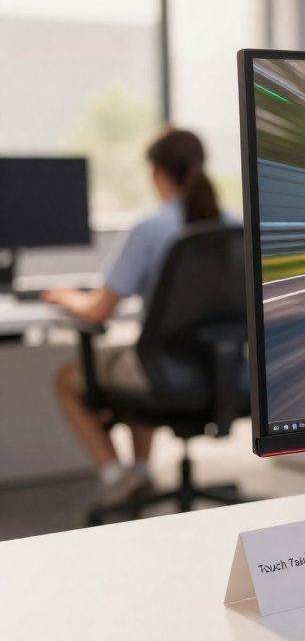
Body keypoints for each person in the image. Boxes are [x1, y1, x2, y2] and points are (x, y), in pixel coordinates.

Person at [44, 127, 225, 510]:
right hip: (223, 369)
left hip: (163, 370)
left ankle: (118, 475)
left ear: (157, 173)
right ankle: (141, 471)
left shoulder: (151, 228)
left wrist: (66, 297)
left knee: (67, 379)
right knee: (137, 355)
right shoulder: (233, 223)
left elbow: (98, 311)